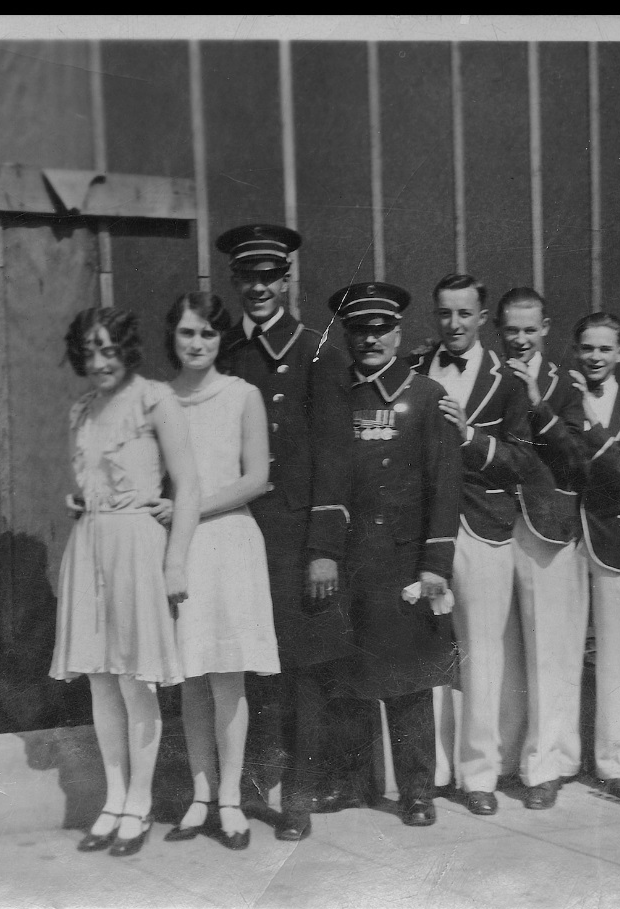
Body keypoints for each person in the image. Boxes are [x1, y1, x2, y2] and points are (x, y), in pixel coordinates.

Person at [213, 224, 353, 842]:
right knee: (248, 670)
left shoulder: (315, 350)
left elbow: (334, 455)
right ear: (236, 282)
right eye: (248, 277)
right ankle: (244, 788)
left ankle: (295, 795)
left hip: (296, 543)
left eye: (270, 276)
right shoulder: (226, 355)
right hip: (238, 539)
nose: (259, 288)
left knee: (301, 673)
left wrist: (324, 549)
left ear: (286, 279)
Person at [307, 282, 463, 827]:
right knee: (348, 677)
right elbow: (325, 476)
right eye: (359, 329)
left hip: (403, 561)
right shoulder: (335, 397)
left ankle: (418, 792)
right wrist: (323, 551)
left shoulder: (425, 396)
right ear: (347, 335)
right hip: (351, 561)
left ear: (398, 333)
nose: (369, 339)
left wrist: (435, 566)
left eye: (380, 328)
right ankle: (352, 784)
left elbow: (444, 487)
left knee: (409, 681)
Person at [49, 305, 201, 856]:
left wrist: (176, 561)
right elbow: (88, 480)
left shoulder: (157, 399)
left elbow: (188, 486)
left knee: (136, 682)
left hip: (139, 546)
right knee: (100, 680)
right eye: (90, 351)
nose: (99, 361)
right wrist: (78, 500)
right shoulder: (81, 410)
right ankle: (112, 801)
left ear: (127, 351)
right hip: (89, 545)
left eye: (109, 349)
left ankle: (140, 803)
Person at [159, 291, 282, 850]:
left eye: (207, 333)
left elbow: (257, 478)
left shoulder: (243, 396)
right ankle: (200, 795)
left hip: (230, 542)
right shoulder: (157, 400)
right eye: (187, 333)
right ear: (173, 338)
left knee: (227, 676)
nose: (197, 343)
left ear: (220, 340)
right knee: (191, 677)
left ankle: (231, 799)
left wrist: (192, 505)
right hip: (179, 549)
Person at [408, 273, 532, 817]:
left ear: (483, 318)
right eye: (444, 314)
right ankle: (428, 770)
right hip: (422, 532)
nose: (453, 325)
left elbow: (523, 459)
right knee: (427, 651)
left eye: (464, 314)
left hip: (482, 528)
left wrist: (471, 439)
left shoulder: (508, 382)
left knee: (481, 652)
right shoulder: (413, 370)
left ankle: (478, 774)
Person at [496, 287, 590, 809]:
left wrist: (537, 402)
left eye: (530, 329)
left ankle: (546, 768)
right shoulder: (487, 374)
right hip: (488, 523)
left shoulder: (562, 385)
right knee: (501, 655)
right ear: (499, 329)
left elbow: (577, 458)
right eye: (512, 329)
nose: (521, 338)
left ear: (546, 328)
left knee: (548, 654)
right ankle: (506, 759)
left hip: (544, 530)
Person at [565, 312, 620, 800]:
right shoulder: (563, 400)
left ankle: (613, 766)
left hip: (617, 542)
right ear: (576, 351)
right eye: (587, 348)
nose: (595, 358)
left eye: (604, 350)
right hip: (564, 539)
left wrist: (593, 422)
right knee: (559, 653)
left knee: (616, 657)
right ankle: (557, 761)